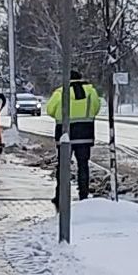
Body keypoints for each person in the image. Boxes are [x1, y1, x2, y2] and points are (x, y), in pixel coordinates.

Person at [44, 70, 102, 203]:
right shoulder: (91, 91)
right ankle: (84, 195)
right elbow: (96, 108)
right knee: (83, 165)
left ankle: (61, 195)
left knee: (63, 166)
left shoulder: (60, 92)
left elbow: (50, 110)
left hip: (65, 134)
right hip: (85, 133)